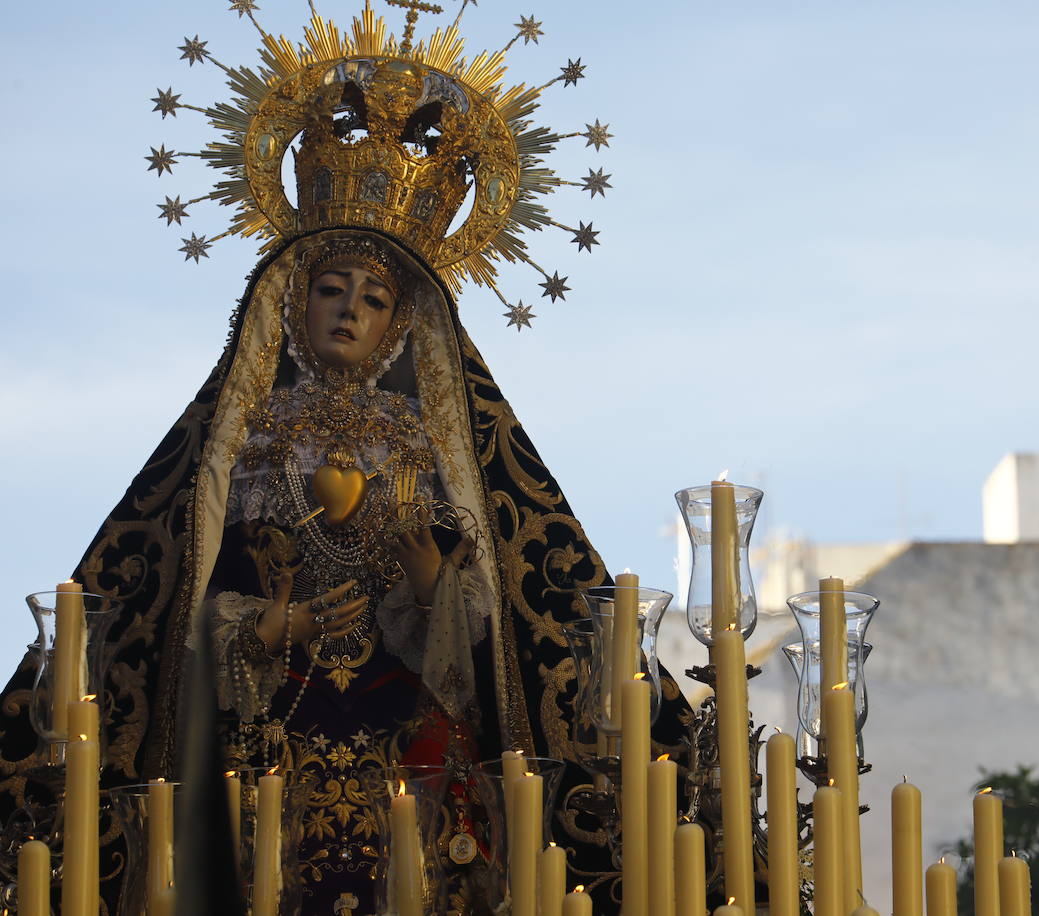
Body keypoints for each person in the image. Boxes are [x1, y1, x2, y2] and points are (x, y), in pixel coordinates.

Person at [0, 6, 690, 913]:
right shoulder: (236, 445)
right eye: (330, 288)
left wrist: (436, 585)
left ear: (402, 322)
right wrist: (263, 627)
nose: (350, 310)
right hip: (265, 751)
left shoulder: (435, 450)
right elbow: (177, 612)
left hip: (413, 757)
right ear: (291, 304)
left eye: (373, 297)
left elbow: (501, 629)